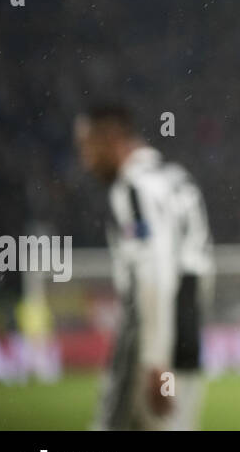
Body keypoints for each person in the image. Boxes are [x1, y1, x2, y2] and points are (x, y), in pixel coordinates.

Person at [74, 105, 213, 430]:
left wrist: (155, 360)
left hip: (150, 345)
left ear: (110, 139)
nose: (85, 160)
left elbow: (155, 274)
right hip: (187, 337)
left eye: (87, 146)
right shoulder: (178, 180)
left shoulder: (135, 189)